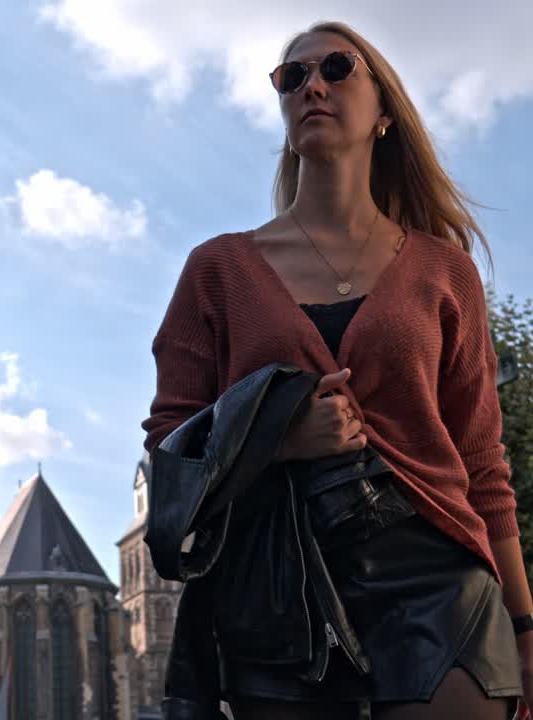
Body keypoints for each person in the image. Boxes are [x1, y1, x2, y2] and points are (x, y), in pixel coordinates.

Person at [141, 20, 532, 720]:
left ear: (384, 113)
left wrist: (526, 625)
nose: (311, 85)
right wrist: (280, 441)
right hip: (280, 590)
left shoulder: (445, 271)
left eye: (337, 68)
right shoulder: (217, 271)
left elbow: (482, 462)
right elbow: (170, 449)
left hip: (436, 575)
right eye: (291, 77)